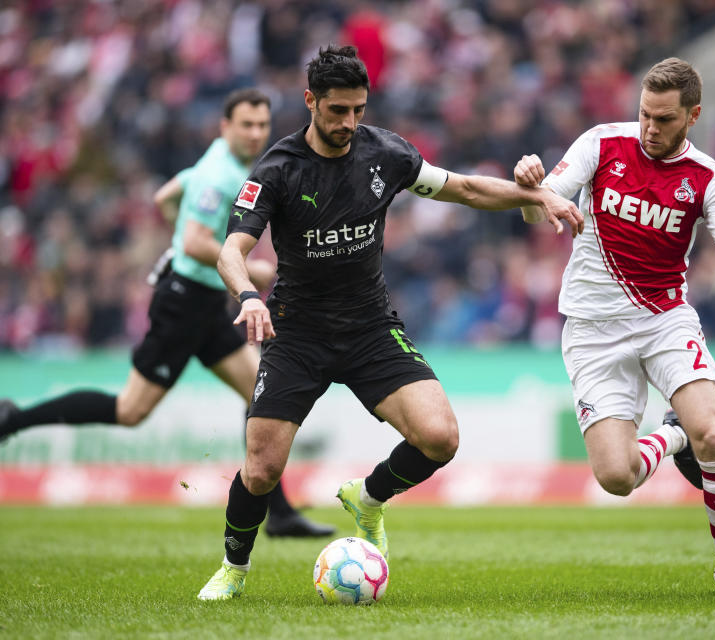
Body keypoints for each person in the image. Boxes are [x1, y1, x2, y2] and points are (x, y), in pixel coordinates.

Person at [196, 44, 583, 600]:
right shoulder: (277, 170)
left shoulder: (386, 154)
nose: (350, 122)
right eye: (337, 111)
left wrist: (536, 194)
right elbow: (231, 250)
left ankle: (368, 496)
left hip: (370, 328)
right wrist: (249, 296)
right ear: (310, 102)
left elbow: (466, 188)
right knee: (261, 470)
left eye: (359, 109)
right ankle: (234, 569)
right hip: (295, 333)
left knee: (439, 438)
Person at [513, 57, 715, 596]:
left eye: (664, 119)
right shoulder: (601, 143)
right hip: (591, 330)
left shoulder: (709, 179)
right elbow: (541, 211)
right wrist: (530, 188)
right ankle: (672, 436)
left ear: (693, 116)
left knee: (712, 432)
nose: (649, 128)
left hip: (664, 320)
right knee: (616, 478)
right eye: (644, 114)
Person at [0, 89, 335, 538]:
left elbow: (165, 197)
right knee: (130, 409)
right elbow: (196, 239)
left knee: (260, 393)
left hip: (204, 301)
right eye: (246, 125)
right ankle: (12, 419)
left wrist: (184, 238)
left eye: (261, 125)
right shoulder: (220, 174)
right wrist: (249, 266)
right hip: (183, 304)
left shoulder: (218, 162)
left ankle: (280, 514)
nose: (256, 134)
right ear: (225, 126)